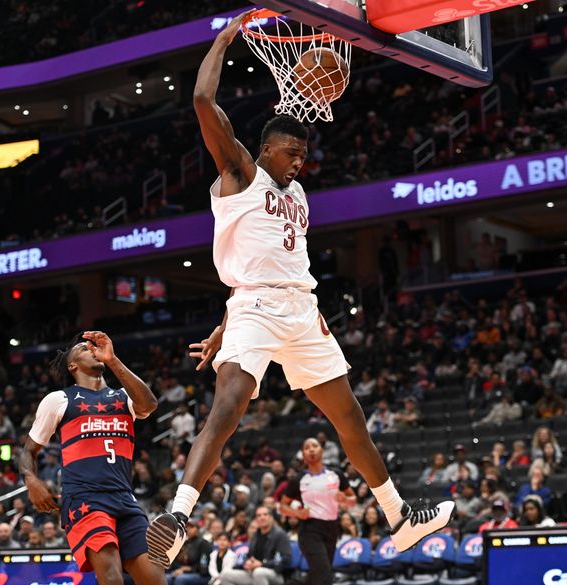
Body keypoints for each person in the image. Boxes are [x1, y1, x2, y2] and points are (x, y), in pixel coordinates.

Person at [146, 11, 454, 568]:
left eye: (303, 155)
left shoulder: (300, 194)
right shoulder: (241, 172)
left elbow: (270, 256)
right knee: (230, 402)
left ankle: (398, 517)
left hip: (302, 311)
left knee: (349, 416)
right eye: (291, 153)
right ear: (265, 151)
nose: (299, 161)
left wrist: (223, 326)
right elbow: (200, 101)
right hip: (256, 309)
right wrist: (222, 40)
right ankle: (177, 515)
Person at [18, 331, 164, 585]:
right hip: (85, 499)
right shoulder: (59, 399)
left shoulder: (124, 398)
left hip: (124, 497)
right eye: (84, 349)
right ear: (72, 365)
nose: (91, 349)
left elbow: (149, 405)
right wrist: (31, 481)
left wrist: (113, 360)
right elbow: (28, 451)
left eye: (93, 347)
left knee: (155, 580)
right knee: (112, 578)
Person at [280, 437, 355, 585]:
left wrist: (345, 500)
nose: (311, 449)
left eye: (315, 446)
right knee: (324, 572)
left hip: (332, 528)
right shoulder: (299, 479)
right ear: (303, 454)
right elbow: (282, 506)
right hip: (309, 530)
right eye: (307, 448)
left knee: (318, 574)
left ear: (322, 450)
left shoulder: (336, 475)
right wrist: (297, 513)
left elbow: (352, 499)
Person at [219, 506, 291, 585]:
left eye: (265, 514)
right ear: (256, 519)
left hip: (276, 574)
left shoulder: (280, 535)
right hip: (254, 572)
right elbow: (250, 555)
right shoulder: (256, 534)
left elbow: (285, 560)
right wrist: (247, 562)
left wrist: (262, 564)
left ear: (271, 518)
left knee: (259, 572)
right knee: (226, 575)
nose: (262, 517)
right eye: (259, 515)